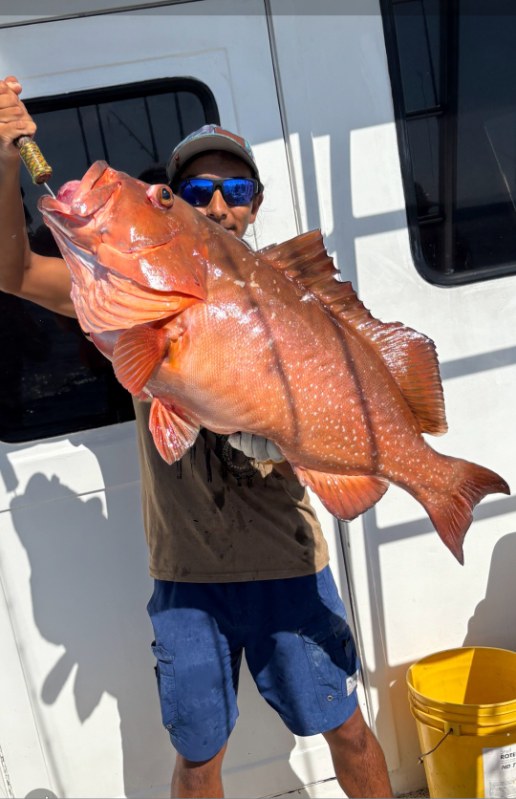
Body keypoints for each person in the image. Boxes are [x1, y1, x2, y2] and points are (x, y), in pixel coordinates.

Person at [0, 75, 393, 799]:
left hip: (290, 561)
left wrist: (294, 442)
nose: (218, 205)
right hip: (186, 575)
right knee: (198, 757)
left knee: (346, 728)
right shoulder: (125, 296)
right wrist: (5, 160)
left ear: (256, 205)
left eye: (237, 191)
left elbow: (337, 403)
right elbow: (13, 270)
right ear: (178, 206)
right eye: (197, 191)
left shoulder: (291, 300)